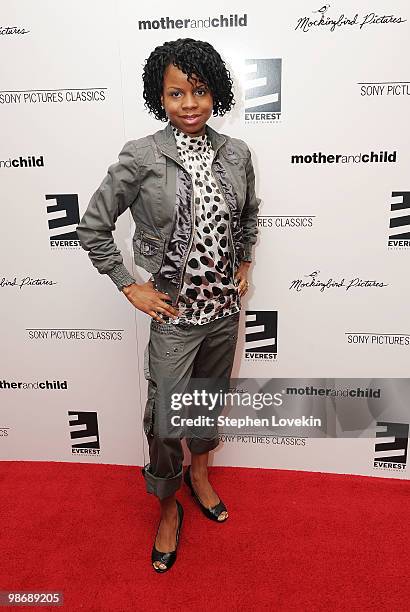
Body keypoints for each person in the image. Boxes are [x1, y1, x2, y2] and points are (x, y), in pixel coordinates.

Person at [76, 38, 260, 573]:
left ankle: (201, 476)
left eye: (200, 91)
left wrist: (244, 261)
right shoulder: (142, 155)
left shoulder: (237, 153)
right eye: (176, 92)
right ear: (160, 96)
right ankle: (166, 508)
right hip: (176, 319)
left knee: (205, 402)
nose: (189, 103)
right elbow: (93, 228)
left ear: (215, 93)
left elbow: (248, 213)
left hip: (223, 315)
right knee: (163, 423)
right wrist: (128, 284)